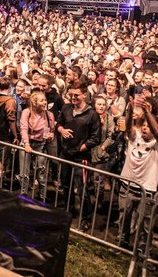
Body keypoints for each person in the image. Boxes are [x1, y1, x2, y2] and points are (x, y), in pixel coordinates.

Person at [118, 95, 158, 250]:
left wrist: (147, 113)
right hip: (127, 186)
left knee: (145, 224)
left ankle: (142, 250)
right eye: (144, 125)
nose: (145, 128)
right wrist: (130, 109)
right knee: (123, 218)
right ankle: (122, 243)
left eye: (149, 126)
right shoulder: (135, 137)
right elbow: (128, 128)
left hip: (146, 191)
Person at [56, 81, 101, 231]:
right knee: (65, 185)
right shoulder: (66, 108)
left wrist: (80, 148)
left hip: (81, 157)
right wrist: (61, 130)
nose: (73, 97)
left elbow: (96, 138)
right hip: (65, 154)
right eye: (71, 95)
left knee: (82, 189)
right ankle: (67, 213)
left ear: (84, 95)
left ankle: (86, 218)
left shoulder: (92, 114)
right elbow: (58, 123)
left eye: (77, 95)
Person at [18, 91, 56, 198]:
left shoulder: (49, 115)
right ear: (34, 103)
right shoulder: (27, 112)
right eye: (42, 100)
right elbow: (23, 128)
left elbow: (52, 131)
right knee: (24, 173)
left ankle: (42, 197)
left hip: (41, 145)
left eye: (45, 100)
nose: (45, 102)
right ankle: (23, 195)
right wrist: (26, 144)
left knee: (42, 173)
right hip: (27, 143)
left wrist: (50, 136)